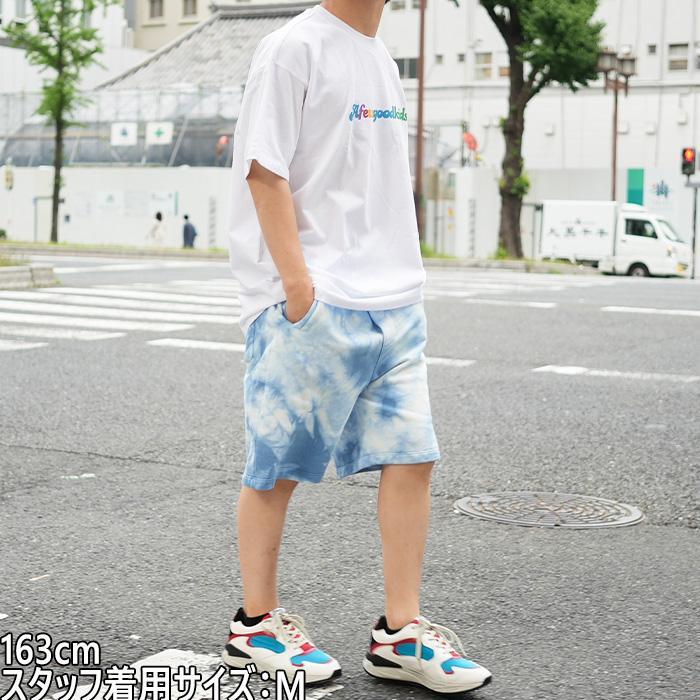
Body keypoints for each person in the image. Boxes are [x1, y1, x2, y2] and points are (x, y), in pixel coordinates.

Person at [224, 0, 492, 694]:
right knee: (278, 466)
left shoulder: (379, 57)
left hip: (394, 301)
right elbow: (262, 168)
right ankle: (255, 625)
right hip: (316, 301)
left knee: (413, 458)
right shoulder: (294, 48)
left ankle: (400, 634)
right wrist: (298, 288)